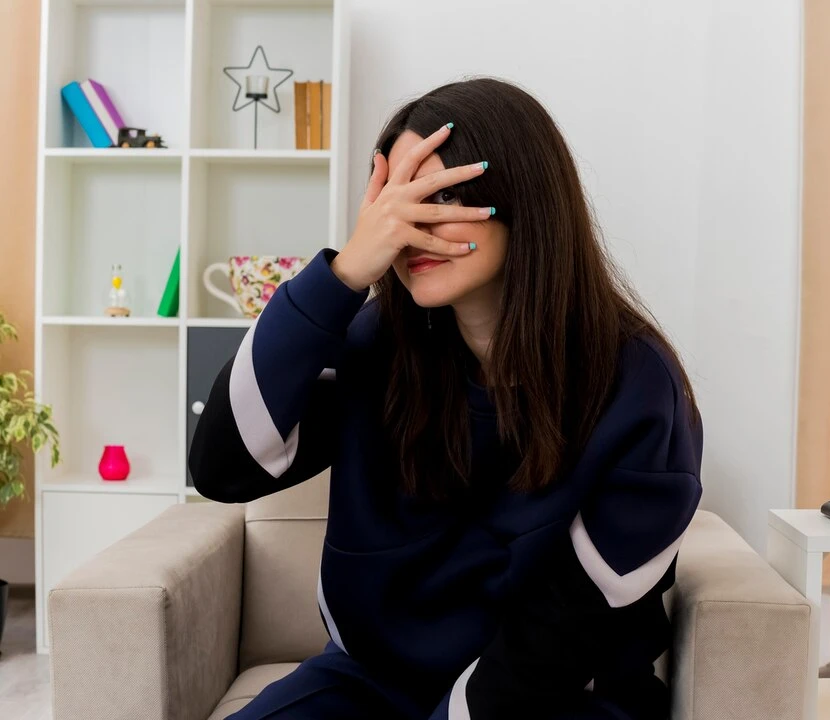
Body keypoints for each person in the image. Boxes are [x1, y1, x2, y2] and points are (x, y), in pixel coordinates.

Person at [190, 77, 703, 720]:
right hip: (372, 683)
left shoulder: (634, 381)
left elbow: (564, 633)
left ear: (523, 199)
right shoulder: (378, 343)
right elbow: (223, 467)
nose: (411, 226)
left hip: (552, 698)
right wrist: (342, 276)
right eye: (395, 199)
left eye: (444, 196)